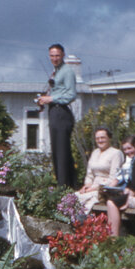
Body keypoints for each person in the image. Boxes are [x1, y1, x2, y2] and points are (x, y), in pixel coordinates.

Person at [36, 43, 78, 188]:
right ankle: (63, 185)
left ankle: (66, 187)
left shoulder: (67, 72)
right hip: (54, 112)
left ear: (63, 55)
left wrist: (51, 99)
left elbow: (71, 94)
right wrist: (44, 100)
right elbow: (56, 91)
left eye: (57, 55)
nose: (54, 58)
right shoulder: (55, 71)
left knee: (62, 152)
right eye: (52, 56)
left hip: (62, 113)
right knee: (56, 152)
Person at [75, 128, 124, 208]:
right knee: (72, 197)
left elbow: (114, 178)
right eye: (97, 138)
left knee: (81, 200)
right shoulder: (95, 152)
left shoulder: (116, 153)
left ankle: (86, 220)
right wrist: (87, 186)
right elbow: (89, 174)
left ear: (109, 138)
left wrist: (93, 188)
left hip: (105, 189)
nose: (100, 140)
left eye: (103, 138)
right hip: (92, 186)